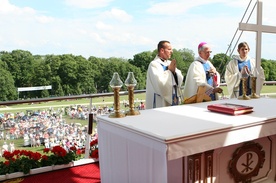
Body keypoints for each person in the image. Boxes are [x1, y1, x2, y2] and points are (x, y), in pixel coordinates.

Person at [146, 40, 184, 109]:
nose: (171, 51)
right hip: (160, 101)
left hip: (174, 97)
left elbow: (180, 78)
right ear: (162, 50)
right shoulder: (154, 64)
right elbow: (160, 83)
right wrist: (170, 71)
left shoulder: (169, 63)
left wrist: (174, 73)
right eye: (169, 49)